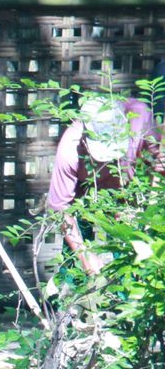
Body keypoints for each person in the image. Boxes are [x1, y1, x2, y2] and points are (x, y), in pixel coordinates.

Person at [47, 96, 158, 275]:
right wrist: (84, 256)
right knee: (76, 269)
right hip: (83, 202)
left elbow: (160, 163)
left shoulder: (139, 116)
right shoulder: (69, 150)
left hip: (130, 200)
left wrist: (149, 216)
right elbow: (60, 208)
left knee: (130, 266)